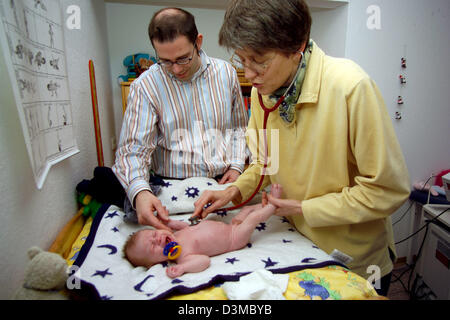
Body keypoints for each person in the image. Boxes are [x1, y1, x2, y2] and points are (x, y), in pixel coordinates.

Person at [191, 0, 410, 296]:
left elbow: (387, 190)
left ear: (297, 46)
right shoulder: (263, 94)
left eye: (259, 60)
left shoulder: (351, 88)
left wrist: (303, 208)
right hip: (297, 247)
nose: (249, 74)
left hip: (352, 261)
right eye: (241, 60)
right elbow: (265, 162)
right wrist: (235, 191)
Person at [112, 8, 249, 231]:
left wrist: (236, 165)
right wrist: (140, 192)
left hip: (222, 184)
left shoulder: (227, 73)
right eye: (165, 61)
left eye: (183, 58)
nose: (176, 69)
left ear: (198, 42)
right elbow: (132, 150)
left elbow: (239, 128)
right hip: (171, 187)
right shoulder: (145, 86)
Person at [124, 184, 283, 278]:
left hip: (232, 226)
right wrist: (183, 268)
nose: (157, 239)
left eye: (153, 234)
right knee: (252, 219)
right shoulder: (182, 257)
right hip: (234, 238)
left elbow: (185, 225)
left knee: (246, 210)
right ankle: (272, 206)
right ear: (153, 264)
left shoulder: (176, 234)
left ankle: (264, 205)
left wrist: (167, 221)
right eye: (152, 246)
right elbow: (204, 262)